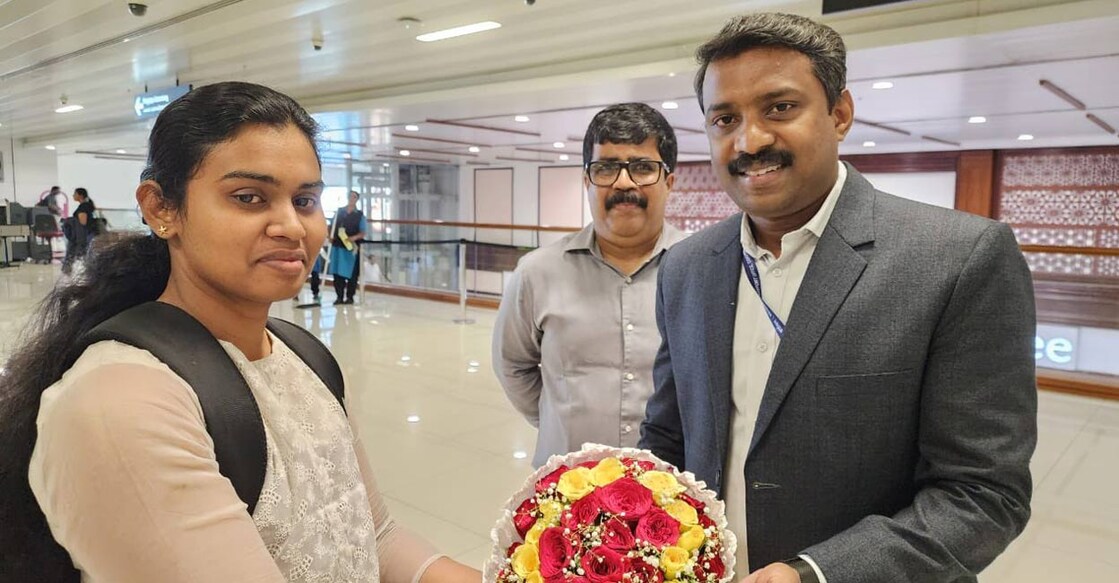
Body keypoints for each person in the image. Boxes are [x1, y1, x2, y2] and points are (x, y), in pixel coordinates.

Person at [0, 81, 480, 583]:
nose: (291, 226)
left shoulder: (303, 356)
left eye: (305, 200)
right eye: (249, 197)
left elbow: (374, 536)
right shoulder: (120, 400)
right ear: (161, 208)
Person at [638, 13, 1036, 583]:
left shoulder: (960, 258)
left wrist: (816, 573)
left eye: (780, 107)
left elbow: (983, 494)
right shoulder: (685, 266)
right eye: (725, 119)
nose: (750, 140)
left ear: (840, 113)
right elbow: (667, 437)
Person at [493, 103, 686, 467]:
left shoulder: (701, 271)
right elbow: (513, 366)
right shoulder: (538, 272)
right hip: (567, 485)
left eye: (643, 167)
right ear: (587, 181)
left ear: (669, 182)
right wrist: (558, 419)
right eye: (606, 168)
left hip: (669, 488)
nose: (624, 183)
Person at [328, 190, 365, 305]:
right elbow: (331, 226)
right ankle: (339, 296)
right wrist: (329, 236)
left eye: (354, 197)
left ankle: (350, 297)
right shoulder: (339, 212)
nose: (351, 198)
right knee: (337, 272)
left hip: (351, 248)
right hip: (338, 246)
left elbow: (362, 232)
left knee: (352, 274)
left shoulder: (359, 215)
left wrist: (354, 238)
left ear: (357, 199)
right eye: (350, 196)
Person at [61, 188, 97, 273]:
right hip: (87, 234)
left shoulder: (83, 207)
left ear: (80, 195)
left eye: (75, 194)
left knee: (75, 252)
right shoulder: (88, 205)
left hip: (81, 235)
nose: (73, 195)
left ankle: (68, 270)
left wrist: (71, 221)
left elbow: (83, 222)